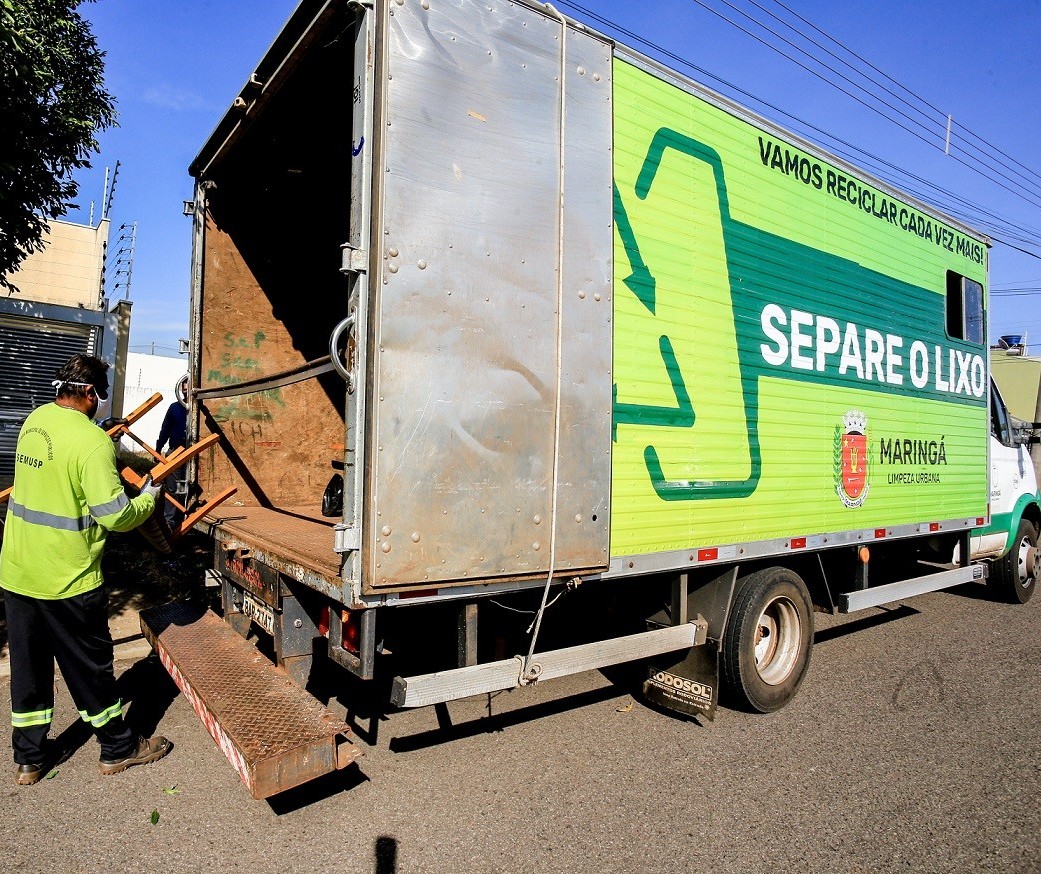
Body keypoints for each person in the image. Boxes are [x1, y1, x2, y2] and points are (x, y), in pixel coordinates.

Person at [0, 354, 172, 785]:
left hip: (19, 572)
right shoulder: (93, 445)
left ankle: (30, 758)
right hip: (68, 578)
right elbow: (114, 515)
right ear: (91, 394)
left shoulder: (35, 422)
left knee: (29, 668)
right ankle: (119, 747)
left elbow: (60, 470)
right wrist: (149, 496)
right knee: (88, 668)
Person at [155, 380, 188, 528]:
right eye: (184, 386)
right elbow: (165, 429)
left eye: (189, 385)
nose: (186, 389)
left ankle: (185, 520)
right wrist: (158, 449)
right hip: (176, 452)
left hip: (196, 453)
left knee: (188, 489)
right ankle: (169, 524)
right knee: (173, 489)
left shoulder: (199, 408)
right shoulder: (175, 408)